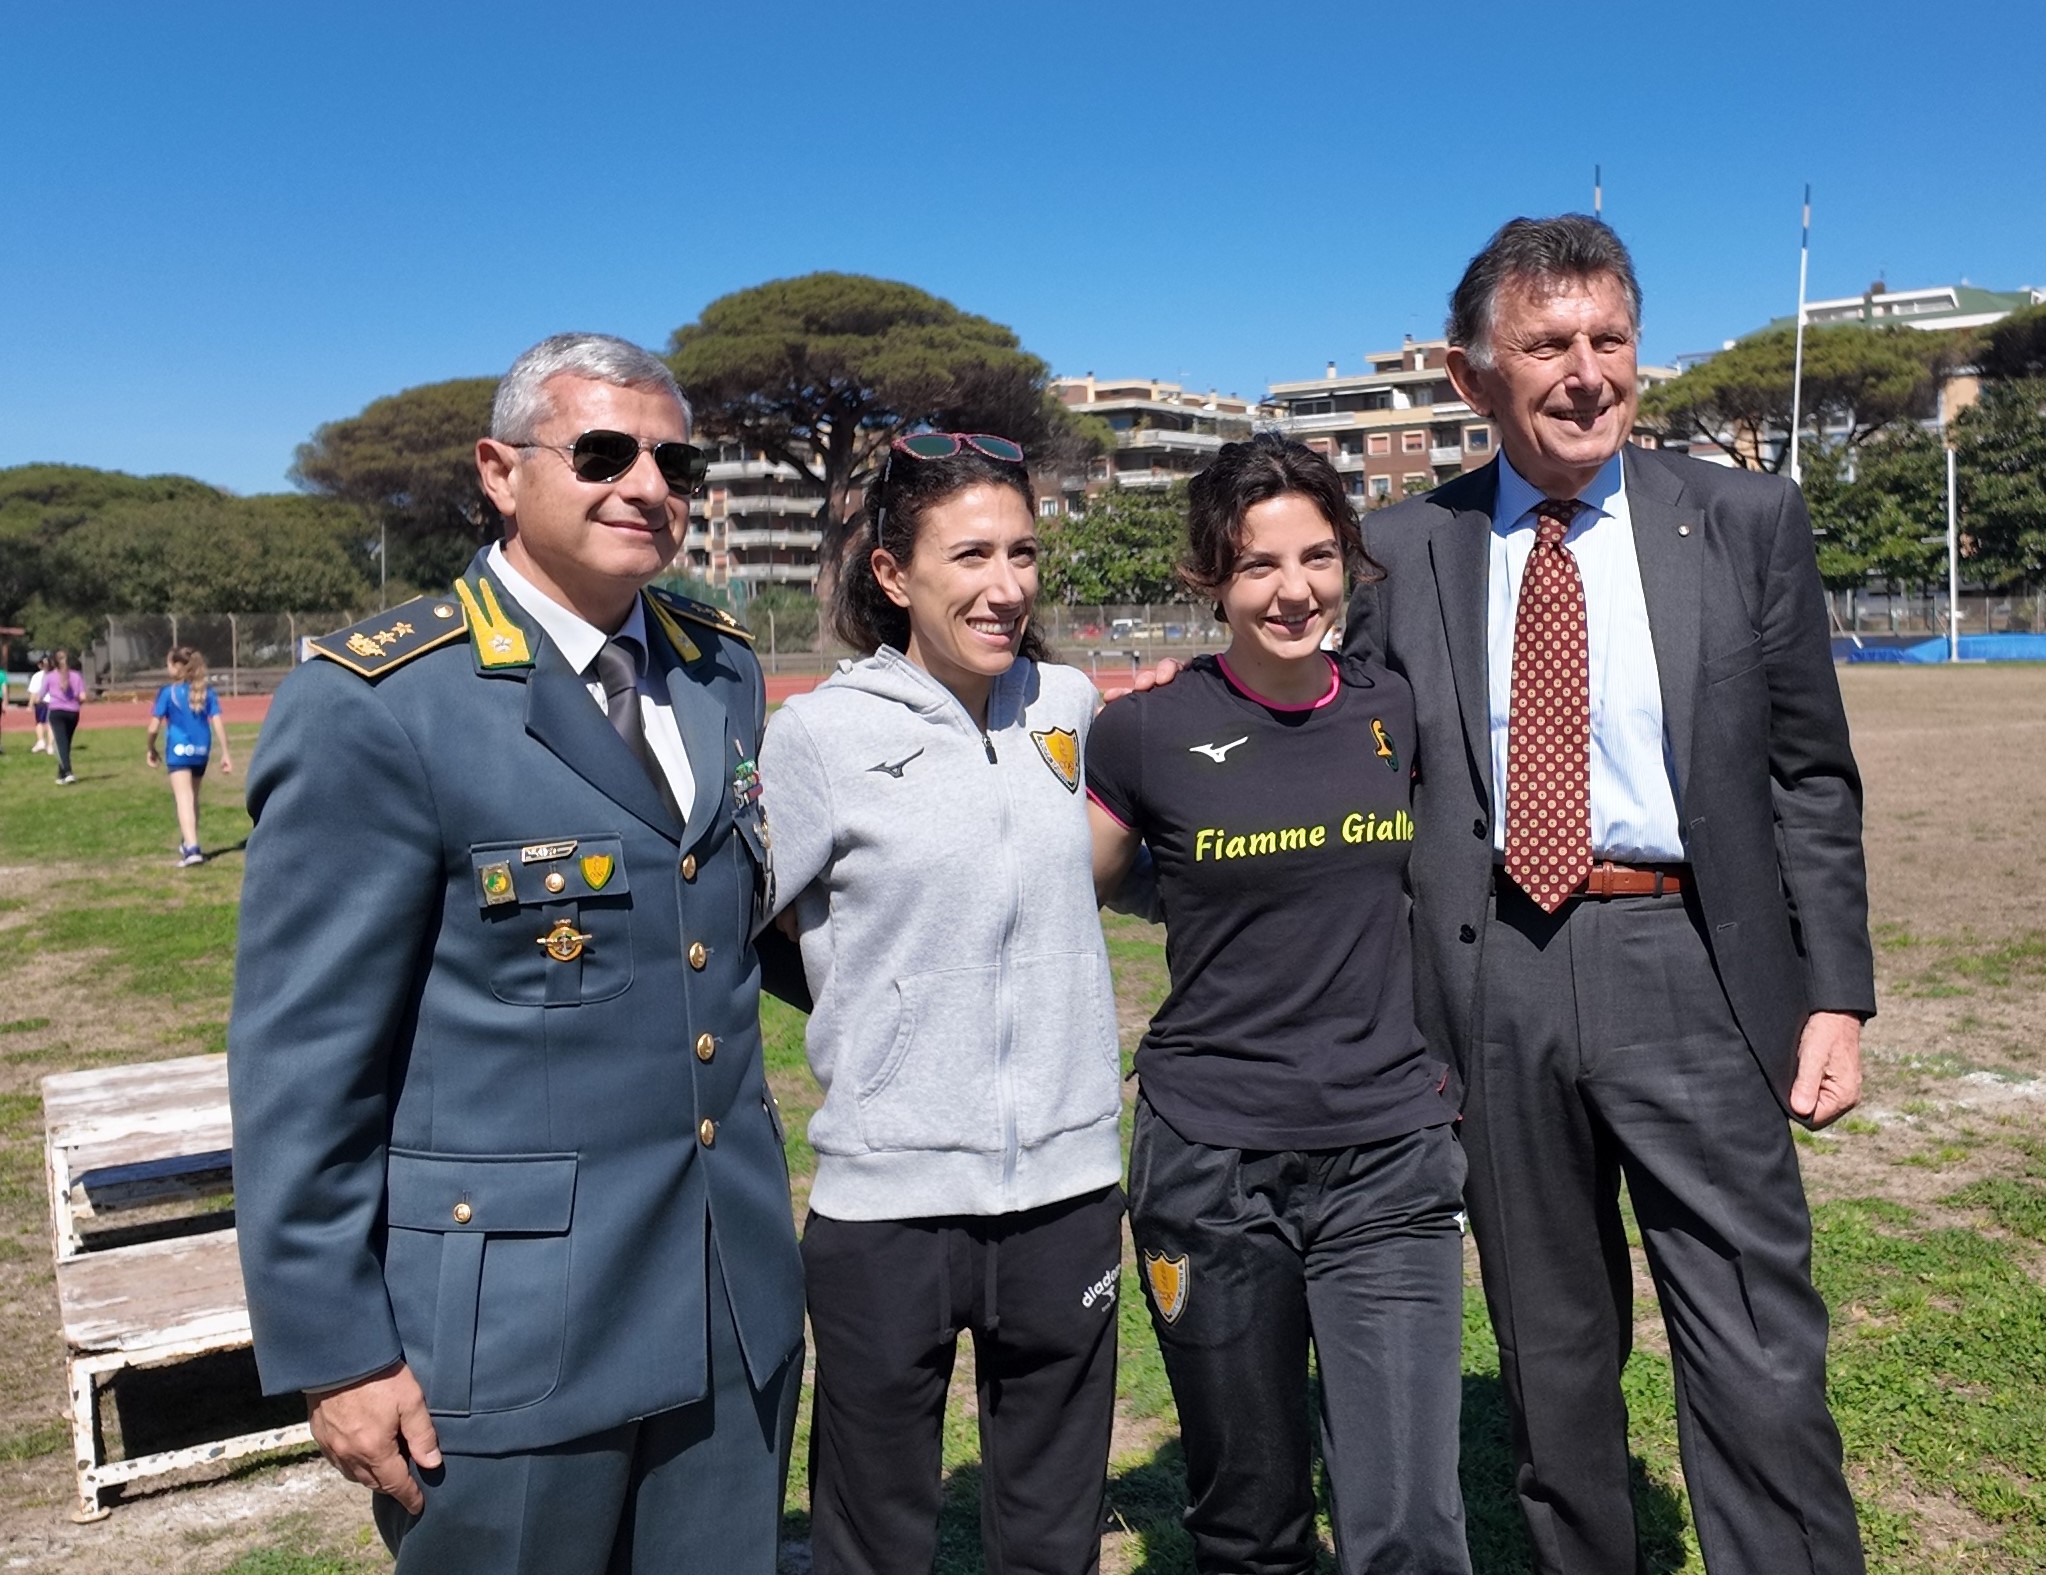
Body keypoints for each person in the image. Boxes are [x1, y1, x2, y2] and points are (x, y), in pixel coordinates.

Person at [1343, 216, 1874, 1574]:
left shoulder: (1744, 520)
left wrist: (1835, 995)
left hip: (1689, 960)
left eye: (1610, 338)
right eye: (1547, 346)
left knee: (1756, 1338)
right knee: (1550, 1341)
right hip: (1489, 971)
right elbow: (1350, 763)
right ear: (1471, 376)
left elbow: (1809, 776)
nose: (1587, 374)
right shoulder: (1399, 548)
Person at [228, 332, 806, 1575]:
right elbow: (303, 1060)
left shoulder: (721, 673)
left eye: (674, 463)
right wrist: (338, 1349)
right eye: (602, 454)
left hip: (730, 1297)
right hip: (511, 1332)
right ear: (500, 472)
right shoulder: (384, 703)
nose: (646, 486)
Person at [1086, 434, 1469, 1575]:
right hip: (1213, 1163)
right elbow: (1079, 886)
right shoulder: (1143, 730)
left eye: (1317, 557)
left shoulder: (1399, 709)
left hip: (1388, 1153)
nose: (1294, 590)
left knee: (1409, 1524)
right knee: (1250, 1525)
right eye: (1258, 564)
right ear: (1211, 578)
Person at [757, 432, 1125, 1575]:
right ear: (892, 573)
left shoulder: (1070, 705)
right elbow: (743, 921)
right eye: (970, 556)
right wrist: (876, 1013)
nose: (1006, 586)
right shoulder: (820, 736)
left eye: (1022, 553)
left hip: (1067, 1187)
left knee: (1053, 1534)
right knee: (872, 1537)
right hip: (887, 1203)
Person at [146, 646, 233, 865]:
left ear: (177, 667)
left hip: (179, 750)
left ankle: (193, 848)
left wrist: (150, 748)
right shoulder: (205, 691)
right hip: (201, 749)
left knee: (183, 798)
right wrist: (225, 753)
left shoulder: (168, 692)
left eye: (168, 664)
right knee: (193, 797)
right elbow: (218, 723)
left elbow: (153, 727)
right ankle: (188, 841)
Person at [43, 649, 84, 783]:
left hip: (57, 711)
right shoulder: (76, 676)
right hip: (73, 712)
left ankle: (68, 771)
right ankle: (61, 775)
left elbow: (41, 695)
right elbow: (83, 696)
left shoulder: (50, 676)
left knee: (60, 743)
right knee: (66, 743)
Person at [28, 655, 54, 754]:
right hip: (52, 702)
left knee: (40, 723)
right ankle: (50, 745)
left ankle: (41, 741)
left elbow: (34, 691)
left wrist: (30, 704)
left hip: (41, 702)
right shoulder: (55, 675)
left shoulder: (37, 676)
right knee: (50, 724)